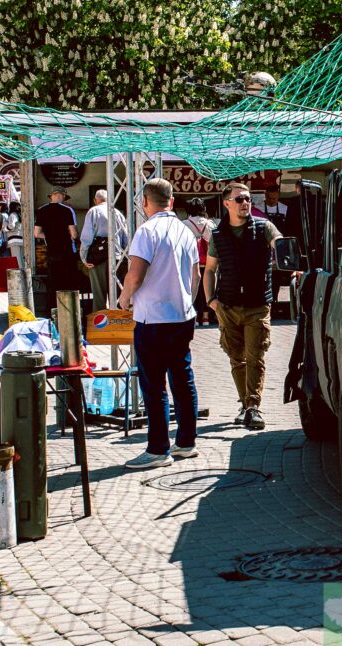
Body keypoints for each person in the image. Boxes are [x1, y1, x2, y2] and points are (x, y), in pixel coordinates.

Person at [118, 178, 200, 469]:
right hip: (182, 315)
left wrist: (124, 298)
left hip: (153, 317)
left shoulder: (146, 231)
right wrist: (186, 300)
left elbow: (136, 274)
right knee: (182, 377)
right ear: (172, 201)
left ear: (144, 203)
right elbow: (196, 276)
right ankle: (186, 442)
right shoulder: (185, 231)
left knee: (154, 385)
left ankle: (157, 449)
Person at [203, 182, 281, 430]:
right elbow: (210, 270)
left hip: (257, 305)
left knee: (255, 356)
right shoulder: (217, 234)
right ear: (227, 204)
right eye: (239, 199)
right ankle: (245, 403)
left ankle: (253, 407)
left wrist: (283, 247)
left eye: (247, 199)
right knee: (236, 358)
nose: (245, 203)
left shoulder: (264, 227)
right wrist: (211, 301)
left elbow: (278, 242)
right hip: (227, 306)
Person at [80, 189, 128, 313]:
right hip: (117, 256)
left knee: (99, 293)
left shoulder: (93, 211)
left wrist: (84, 257)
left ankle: (100, 325)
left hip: (98, 258)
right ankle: (119, 321)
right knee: (117, 292)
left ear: (96, 200)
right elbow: (125, 239)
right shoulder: (118, 213)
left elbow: (86, 237)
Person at [34, 186, 78, 310]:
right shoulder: (68, 210)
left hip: (51, 252)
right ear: (63, 196)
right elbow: (74, 234)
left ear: (51, 196)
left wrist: (49, 236)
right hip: (67, 252)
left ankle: (52, 310)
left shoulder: (41, 210)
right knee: (68, 283)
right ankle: (68, 310)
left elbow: (36, 233)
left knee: (53, 283)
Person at [183, 197, 214, 325]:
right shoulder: (210, 224)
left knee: (191, 288)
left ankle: (194, 315)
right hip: (208, 262)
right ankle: (206, 317)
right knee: (206, 290)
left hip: (190, 262)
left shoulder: (183, 224)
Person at [6, 201, 24, 268]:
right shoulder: (21, 215)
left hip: (14, 240)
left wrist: (5, 228)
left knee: (17, 259)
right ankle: (24, 275)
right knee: (22, 259)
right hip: (21, 239)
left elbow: (11, 226)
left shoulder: (12, 215)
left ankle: (20, 276)